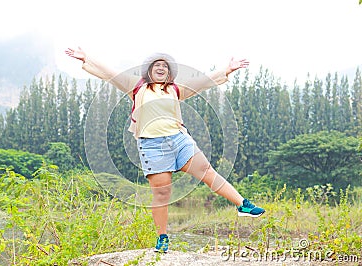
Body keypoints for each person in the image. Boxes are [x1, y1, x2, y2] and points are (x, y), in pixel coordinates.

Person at [65, 47, 265, 253]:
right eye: (157, 65)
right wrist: (86, 58)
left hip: (179, 140)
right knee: (162, 193)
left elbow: (203, 82)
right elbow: (110, 72)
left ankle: (243, 204)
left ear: (170, 73)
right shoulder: (136, 86)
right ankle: (162, 237)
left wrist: (227, 69)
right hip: (152, 145)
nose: (161, 68)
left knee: (206, 170)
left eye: (165, 66)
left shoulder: (175, 90)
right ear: (149, 71)